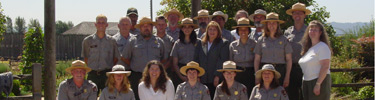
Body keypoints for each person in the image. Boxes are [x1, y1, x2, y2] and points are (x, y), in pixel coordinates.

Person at [122, 17, 168, 100]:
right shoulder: (132, 41)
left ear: (152, 27)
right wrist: (134, 65)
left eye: (148, 26)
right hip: (137, 76)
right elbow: (125, 58)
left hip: (155, 77)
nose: (146, 28)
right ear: (140, 28)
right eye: (143, 26)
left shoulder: (159, 42)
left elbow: (164, 59)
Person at [82, 14, 120, 94]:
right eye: (99, 22)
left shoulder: (112, 41)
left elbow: (115, 58)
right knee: (90, 97)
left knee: (107, 97)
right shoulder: (88, 40)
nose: (101, 25)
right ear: (95, 24)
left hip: (106, 75)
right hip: (93, 74)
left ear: (107, 25)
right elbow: (86, 58)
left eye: (103, 23)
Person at [254, 12, 293, 88]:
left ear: (278, 25)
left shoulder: (284, 40)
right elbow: (257, 59)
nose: (271, 25)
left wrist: (287, 76)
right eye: (269, 23)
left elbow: (289, 59)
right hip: (265, 71)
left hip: (280, 71)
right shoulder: (261, 40)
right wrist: (257, 76)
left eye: (274, 23)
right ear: (266, 25)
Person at [194, 21, 230, 98]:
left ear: (218, 31)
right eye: (210, 29)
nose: (212, 31)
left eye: (214, 29)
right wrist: (198, 75)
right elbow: (196, 59)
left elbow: (222, 60)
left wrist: (217, 76)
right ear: (207, 31)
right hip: (202, 78)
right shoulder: (201, 43)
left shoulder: (223, 43)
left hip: (215, 79)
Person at [284, 3, 312, 100]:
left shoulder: (309, 31)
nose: (297, 15)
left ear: (304, 15)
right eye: (295, 13)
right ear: (292, 15)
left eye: (300, 13)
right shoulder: (287, 32)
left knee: (306, 95)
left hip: (306, 68)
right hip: (291, 69)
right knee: (292, 95)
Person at [299, 20, 332, 100]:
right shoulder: (309, 48)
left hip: (318, 82)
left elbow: (325, 66)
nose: (312, 31)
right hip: (307, 81)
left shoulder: (322, 47)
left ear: (320, 33)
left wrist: (318, 84)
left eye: (315, 30)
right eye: (311, 29)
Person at [229, 18, 256, 96]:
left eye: (245, 30)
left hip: (250, 74)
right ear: (237, 31)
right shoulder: (233, 45)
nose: (243, 32)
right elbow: (231, 62)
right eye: (241, 30)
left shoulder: (254, 44)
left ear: (249, 31)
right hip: (237, 75)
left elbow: (257, 60)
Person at [170, 18, 199, 89]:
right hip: (181, 72)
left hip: (195, 72)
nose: (187, 29)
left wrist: (197, 75)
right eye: (184, 27)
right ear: (181, 29)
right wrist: (181, 76)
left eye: (189, 27)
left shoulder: (199, 43)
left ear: (192, 28)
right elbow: (175, 63)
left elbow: (202, 60)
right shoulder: (177, 43)